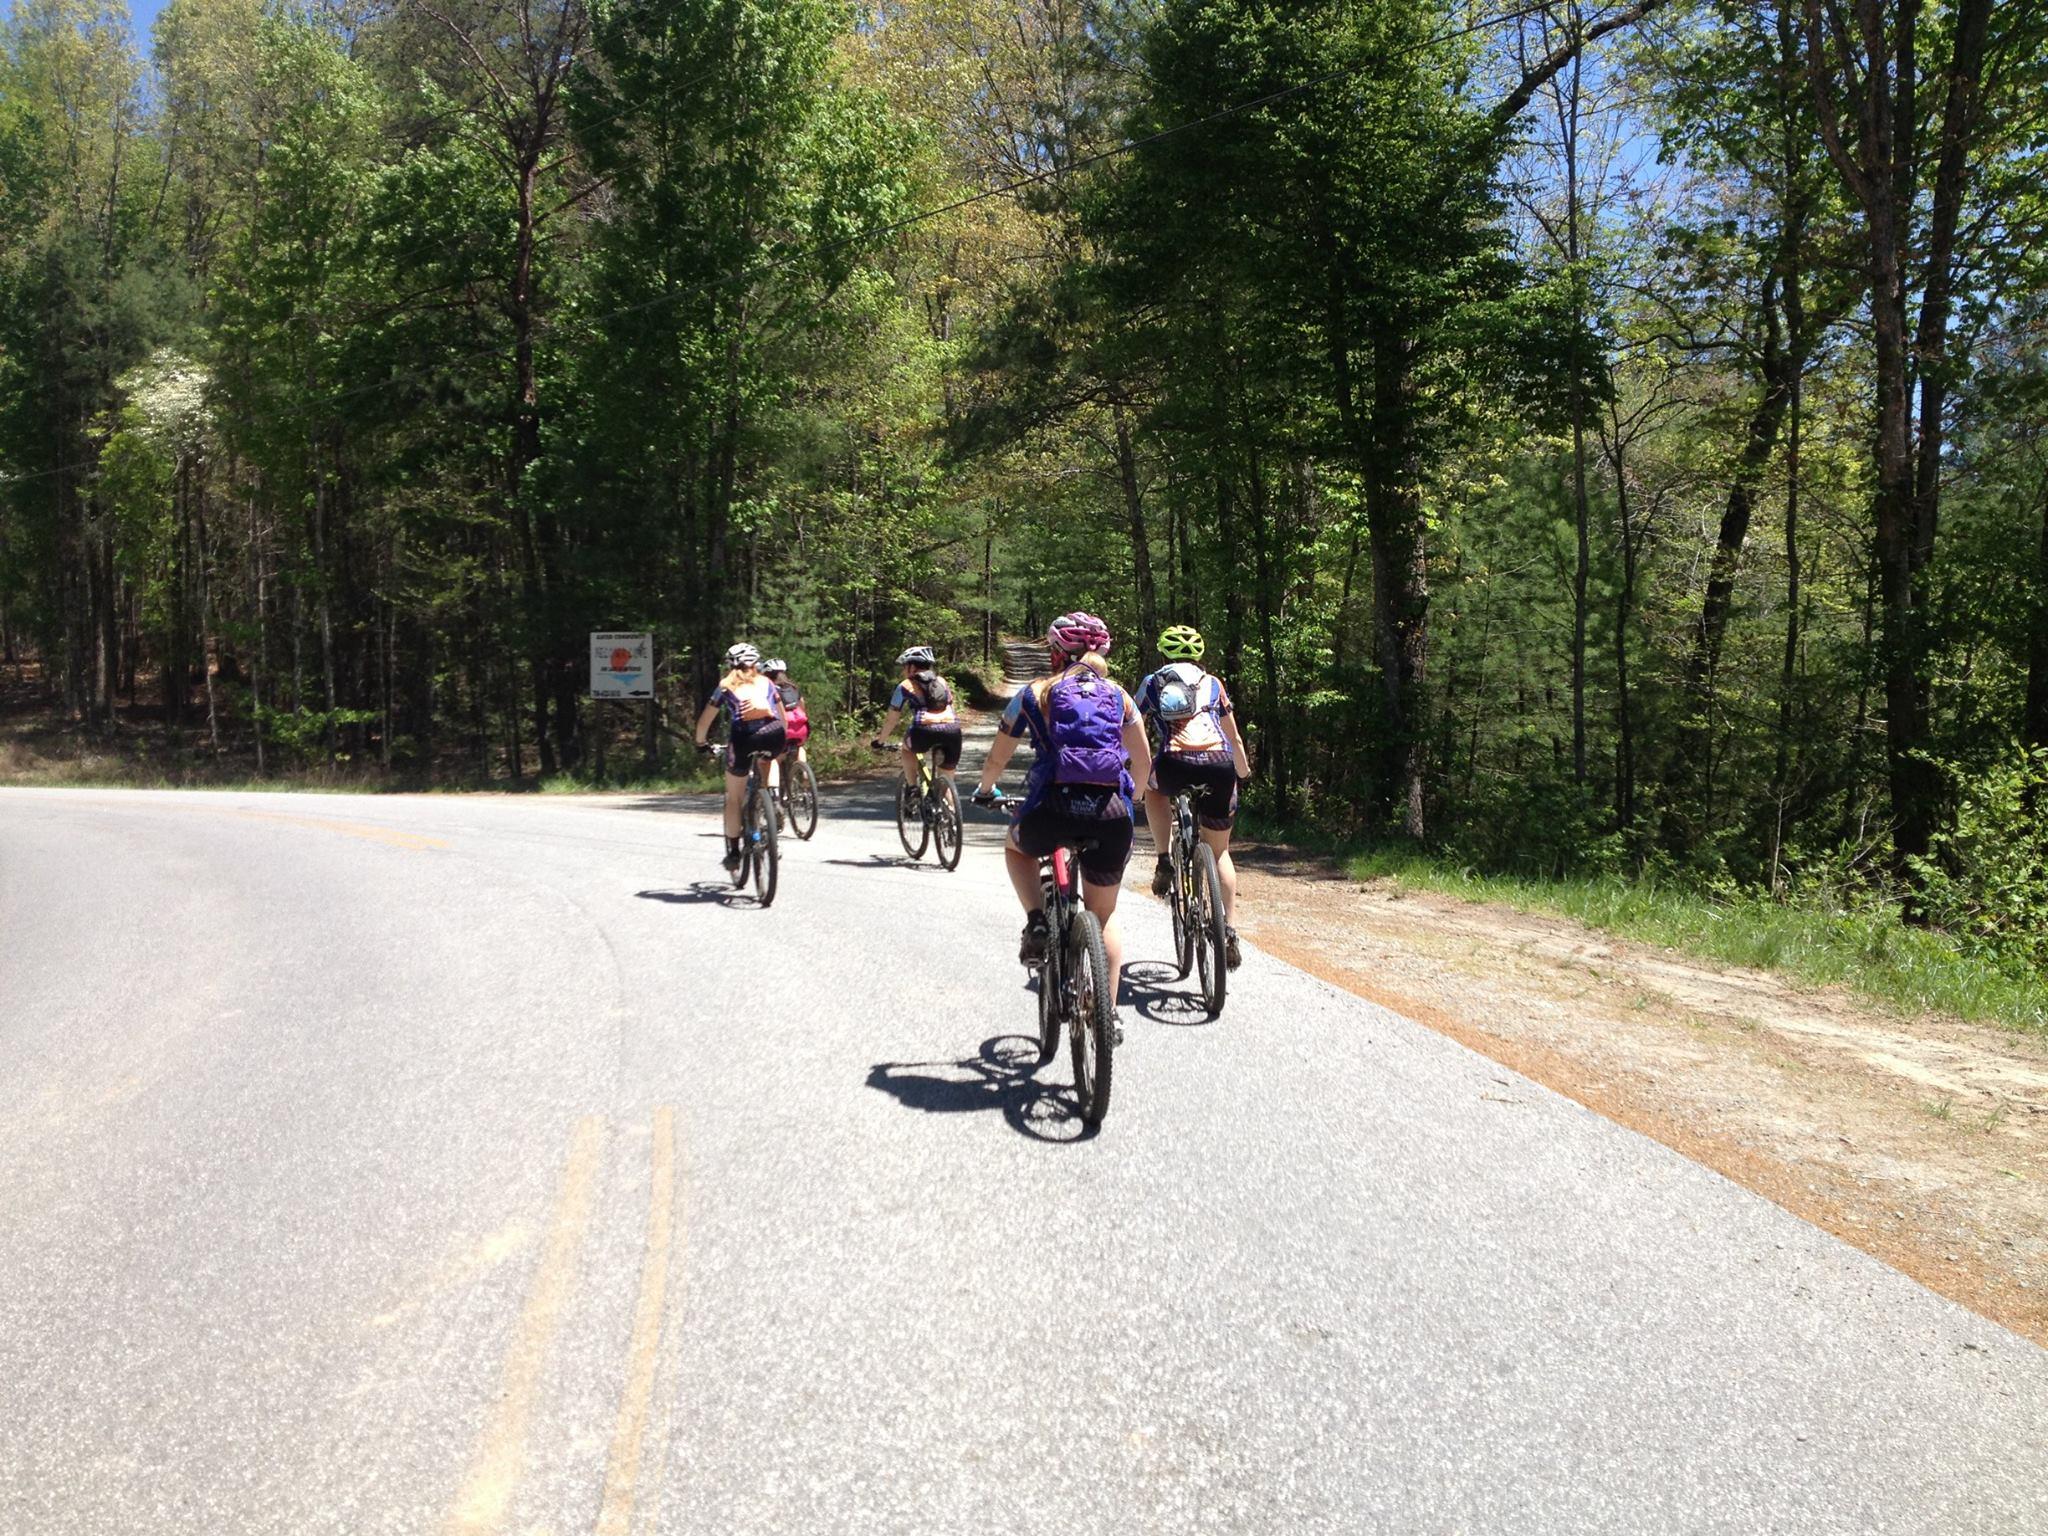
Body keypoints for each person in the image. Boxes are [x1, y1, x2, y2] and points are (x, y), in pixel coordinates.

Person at [972, 612, 1152, 1026]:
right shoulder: (1119, 695)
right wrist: (1134, 799)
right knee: (1104, 916)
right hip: (1110, 815)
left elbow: (998, 757)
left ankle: (1037, 920)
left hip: (1050, 808)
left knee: (1016, 849)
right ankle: (1105, 1017)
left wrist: (985, 790)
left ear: (1056, 653)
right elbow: (1142, 762)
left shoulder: (1034, 693)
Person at [1135, 624, 1253, 969]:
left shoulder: (1152, 682)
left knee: (1154, 792)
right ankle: (1228, 931)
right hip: (1218, 765)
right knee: (1221, 853)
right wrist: (1241, 772)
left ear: (1164, 653)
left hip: (1174, 762)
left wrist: (1132, 771)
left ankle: (1164, 859)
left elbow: (1132, 725)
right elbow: (1234, 738)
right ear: (1199, 656)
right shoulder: (1214, 684)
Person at [693, 643, 787, 870]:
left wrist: (700, 743)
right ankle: (772, 799)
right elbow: (782, 717)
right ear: (756, 663)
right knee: (770, 759)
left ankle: (734, 853)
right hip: (774, 733)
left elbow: (706, 720)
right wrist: (781, 740)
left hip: (743, 738)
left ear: (731, 664)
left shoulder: (725, 685)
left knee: (734, 799)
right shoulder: (767, 682)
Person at [871, 646, 962, 808]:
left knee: (907, 749)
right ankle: (953, 822)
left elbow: (892, 718)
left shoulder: (905, 686)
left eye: (905, 666)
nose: (904, 671)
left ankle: (913, 788)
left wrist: (880, 741)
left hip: (923, 730)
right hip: (952, 730)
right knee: (946, 782)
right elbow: (951, 708)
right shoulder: (942, 682)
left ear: (912, 667)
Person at [764, 658, 809, 781]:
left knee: (775, 758)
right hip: (801, 728)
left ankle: (775, 787)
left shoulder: (769, 689)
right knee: (800, 747)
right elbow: (802, 706)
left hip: (783, 728)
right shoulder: (793, 688)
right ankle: (805, 774)